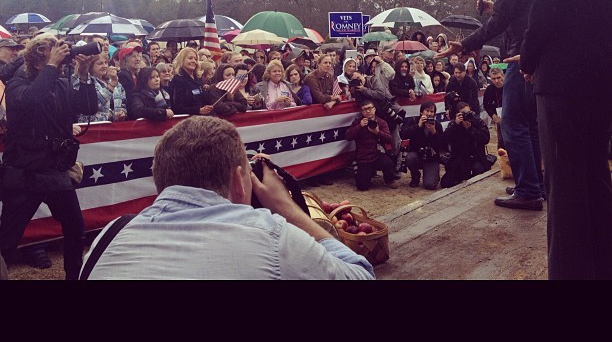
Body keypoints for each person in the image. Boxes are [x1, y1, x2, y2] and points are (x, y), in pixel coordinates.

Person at [80, 115, 374, 279]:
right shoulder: (273, 237)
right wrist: (287, 208)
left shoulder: (109, 237)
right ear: (238, 180)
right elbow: (361, 276)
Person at [519, 0, 612, 279]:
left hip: (563, 82)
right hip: (604, 82)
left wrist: (529, 57)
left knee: (566, 185)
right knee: (596, 174)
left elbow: (546, 10)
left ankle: (570, 273)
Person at [437, 0, 544, 210]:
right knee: (530, 124)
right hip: (533, 56)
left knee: (512, 123)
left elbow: (499, 25)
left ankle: (529, 190)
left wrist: (463, 45)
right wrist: (495, 8)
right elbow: (519, 15)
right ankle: (535, 183)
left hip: (518, 59)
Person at [0, 34, 98, 280]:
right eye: (51, 49)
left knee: (75, 228)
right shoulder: (16, 83)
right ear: (36, 57)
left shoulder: (60, 83)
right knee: (7, 239)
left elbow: (88, 108)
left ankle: (74, 278)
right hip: (25, 173)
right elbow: (31, 100)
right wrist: (53, 66)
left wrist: (84, 73)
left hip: (54, 172)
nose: (59, 51)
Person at [345, 100, 398, 191]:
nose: (368, 111)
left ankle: (389, 180)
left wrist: (377, 132)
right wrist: (359, 126)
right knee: (362, 187)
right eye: (365, 109)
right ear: (361, 112)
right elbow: (348, 136)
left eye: (370, 108)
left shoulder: (381, 122)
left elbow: (389, 139)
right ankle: (362, 171)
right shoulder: (358, 122)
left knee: (388, 163)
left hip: (378, 154)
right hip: (363, 157)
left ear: (374, 109)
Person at [440, 101, 492, 189]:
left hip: (476, 158)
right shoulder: (454, 124)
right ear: (457, 115)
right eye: (463, 114)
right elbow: (444, 140)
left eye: (468, 112)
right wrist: (455, 124)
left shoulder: (477, 122)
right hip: (460, 159)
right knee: (446, 182)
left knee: (478, 172)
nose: (466, 116)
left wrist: (471, 129)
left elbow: (485, 139)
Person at [401, 100, 447, 189]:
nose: (429, 114)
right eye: (427, 111)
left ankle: (430, 174)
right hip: (417, 154)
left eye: (432, 111)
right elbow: (403, 135)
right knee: (410, 157)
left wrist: (434, 132)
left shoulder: (437, 125)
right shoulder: (414, 121)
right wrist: (418, 126)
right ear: (421, 112)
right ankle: (415, 176)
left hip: (431, 157)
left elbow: (441, 146)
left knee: (430, 185)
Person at [74, 52, 127, 122]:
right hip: (94, 127)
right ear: (90, 66)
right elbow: (95, 104)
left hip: (114, 127)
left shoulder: (115, 82)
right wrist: (112, 85)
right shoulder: (84, 82)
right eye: (100, 63)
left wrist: (123, 112)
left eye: (106, 63)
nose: (104, 66)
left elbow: (123, 102)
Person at [168, 47, 214, 116]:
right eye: (190, 58)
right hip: (187, 121)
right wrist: (198, 110)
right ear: (182, 60)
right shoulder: (178, 80)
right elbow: (176, 108)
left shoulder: (198, 78)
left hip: (202, 119)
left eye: (195, 59)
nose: (193, 61)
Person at [482, 66, 505, 149]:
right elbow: (486, 104)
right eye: (493, 79)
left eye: (499, 78)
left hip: (514, 117)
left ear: (503, 76)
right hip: (499, 117)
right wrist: (493, 116)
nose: (496, 81)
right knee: (502, 144)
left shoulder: (510, 86)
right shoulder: (490, 89)